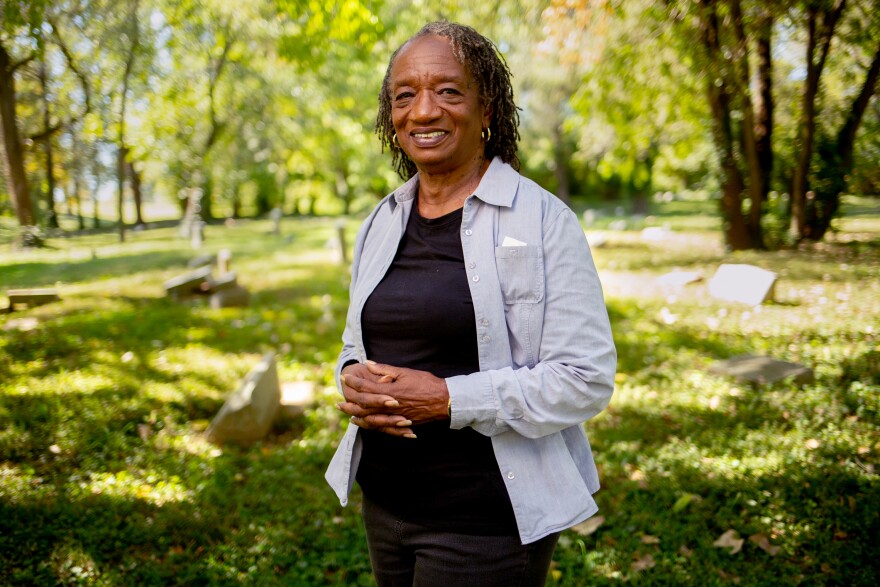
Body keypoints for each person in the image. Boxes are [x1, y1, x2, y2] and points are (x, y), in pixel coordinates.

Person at [325, 21, 616, 586]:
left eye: (449, 91)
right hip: (385, 506)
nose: (424, 111)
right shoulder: (382, 221)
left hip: (485, 522)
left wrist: (447, 399)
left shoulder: (542, 219)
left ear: (488, 110)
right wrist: (350, 375)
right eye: (404, 96)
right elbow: (356, 343)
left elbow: (585, 378)